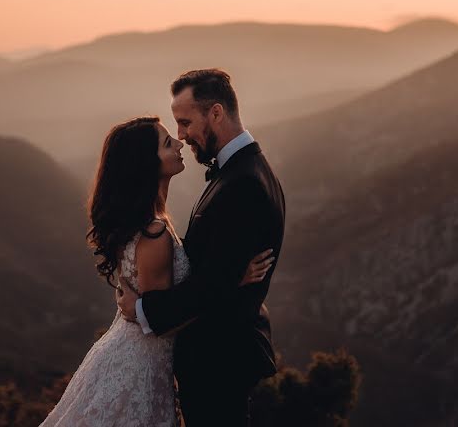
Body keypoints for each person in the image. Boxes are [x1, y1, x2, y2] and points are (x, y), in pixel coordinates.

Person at [40, 115, 273, 427]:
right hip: (139, 365)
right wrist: (232, 281)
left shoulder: (147, 221)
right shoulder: (154, 232)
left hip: (138, 356)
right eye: (167, 143)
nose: (179, 144)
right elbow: (165, 318)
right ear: (146, 164)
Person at [117, 68, 286, 427]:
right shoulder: (241, 172)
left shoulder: (243, 184)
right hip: (215, 359)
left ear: (216, 113)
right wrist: (232, 276)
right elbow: (216, 273)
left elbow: (210, 285)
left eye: (185, 122)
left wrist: (143, 309)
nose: (181, 136)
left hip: (219, 360)